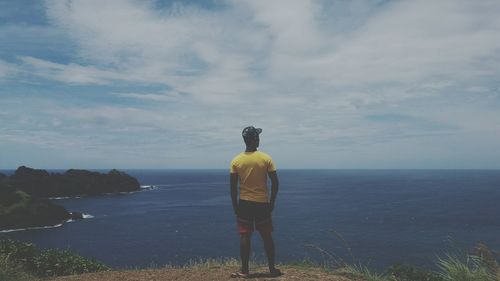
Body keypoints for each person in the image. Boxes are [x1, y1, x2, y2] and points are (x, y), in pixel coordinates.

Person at [229, 126, 281, 278]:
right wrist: (272, 202)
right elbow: (275, 183)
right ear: (254, 139)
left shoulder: (236, 160)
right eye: (257, 137)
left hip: (244, 203)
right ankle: (272, 269)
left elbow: (232, 188)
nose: (259, 139)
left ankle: (244, 271)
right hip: (262, 204)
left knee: (245, 236)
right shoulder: (266, 158)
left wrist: (235, 207)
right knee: (267, 236)